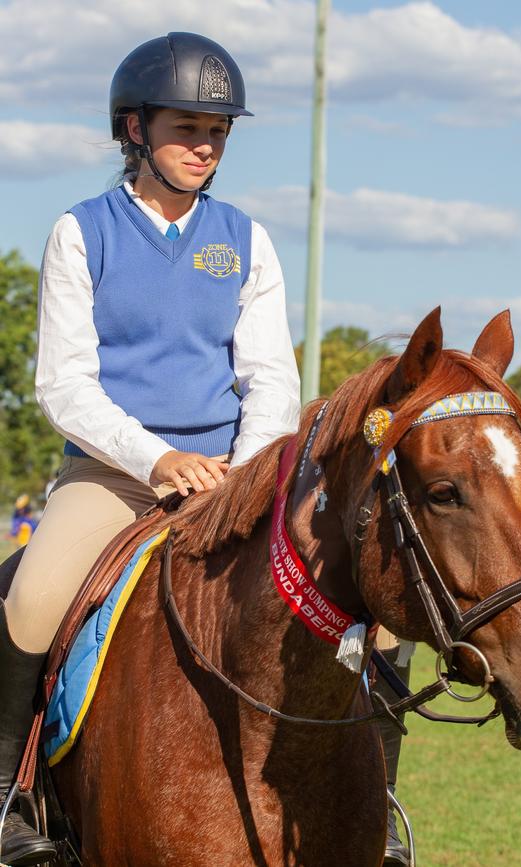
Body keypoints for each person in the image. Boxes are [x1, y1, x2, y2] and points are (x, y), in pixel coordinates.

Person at [0, 32, 300, 865]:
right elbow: (63, 384)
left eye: (218, 130)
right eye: (185, 126)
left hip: (230, 475)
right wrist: (158, 461)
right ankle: (5, 802)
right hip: (114, 475)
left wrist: (239, 475)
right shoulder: (79, 232)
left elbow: (271, 377)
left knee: (362, 604)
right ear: (132, 128)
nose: (205, 145)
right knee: (29, 600)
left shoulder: (248, 238)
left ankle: (373, 798)